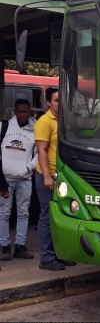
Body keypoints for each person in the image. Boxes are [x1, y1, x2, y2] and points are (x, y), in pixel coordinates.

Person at [34, 87, 75, 271]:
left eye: (62, 100)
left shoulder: (64, 121)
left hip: (62, 176)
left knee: (61, 216)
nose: (60, 103)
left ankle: (60, 254)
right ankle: (46, 258)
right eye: (57, 100)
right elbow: (41, 150)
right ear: (49, 103)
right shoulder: (44, 121)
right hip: (47, 176)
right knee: (47, 216)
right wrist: (47, 177)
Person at [0, 99, 38, 261]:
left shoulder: (36, 128)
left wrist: (28, 168)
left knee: (23, 212)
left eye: (25, 111)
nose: (23, 114)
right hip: (6, 179)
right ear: (15, 112)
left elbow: (39, 153)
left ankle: (21, 246)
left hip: (25, 179)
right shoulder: (4, 127)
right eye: (20, 111)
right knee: (4, 213)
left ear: (29, 111)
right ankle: (4, 247)